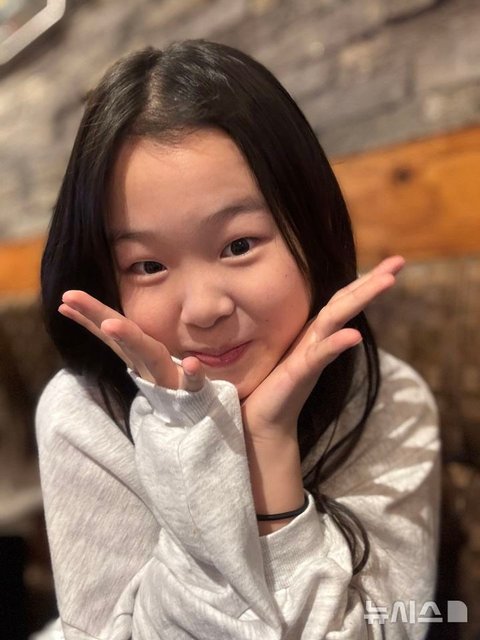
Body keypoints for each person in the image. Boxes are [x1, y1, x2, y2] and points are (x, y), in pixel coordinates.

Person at [36, 40, 440, 639]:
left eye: (239, 245)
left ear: (312, 229)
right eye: (147, 265)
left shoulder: (389, 402)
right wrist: (190, 443)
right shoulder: (85, 414)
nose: (204, 309)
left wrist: (269, 452)